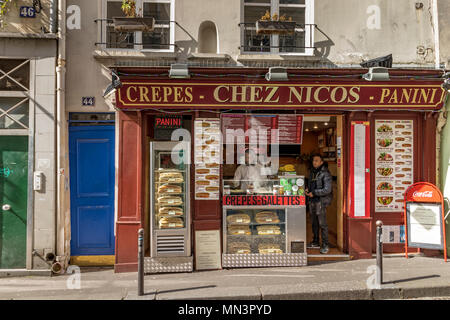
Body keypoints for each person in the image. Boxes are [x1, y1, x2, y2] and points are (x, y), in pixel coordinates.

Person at [305, 154, 333, 254]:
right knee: (314, 223)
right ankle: (315, 242)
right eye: (313, 160)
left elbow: (327, 190)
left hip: (321, 201)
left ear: (321, 162)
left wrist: (315, 192)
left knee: (322, 224)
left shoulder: (325, 173)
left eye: (317, 160)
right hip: (312, 201)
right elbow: (311, 185)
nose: (314, 162)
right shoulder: (312, 172)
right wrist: (308, 190)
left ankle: (325, 244)